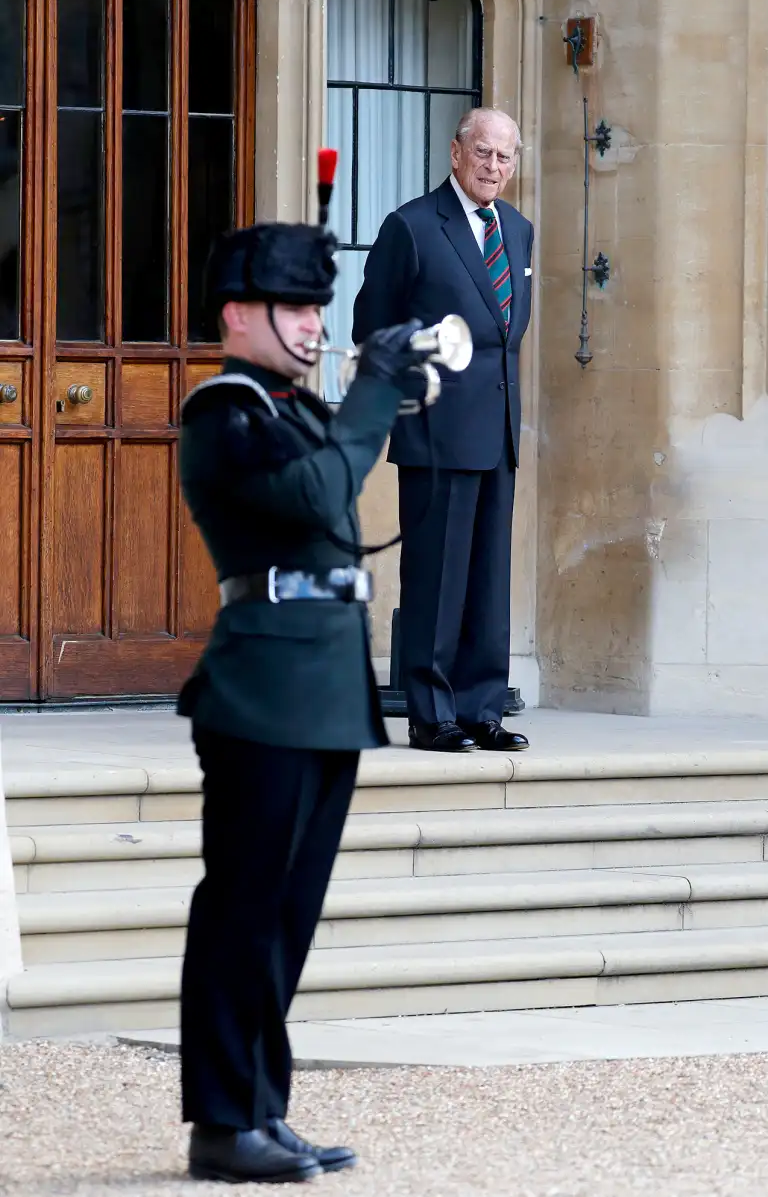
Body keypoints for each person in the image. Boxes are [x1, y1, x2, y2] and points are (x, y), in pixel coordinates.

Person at [176, 220, 422, 1184]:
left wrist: (403, 394)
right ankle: (221, 1120)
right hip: (263, 689)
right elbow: (324, 493)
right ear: (240, 314)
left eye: (320, 308)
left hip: (323, 687)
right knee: (241, 909)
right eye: (295, 307)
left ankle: (263, 1110)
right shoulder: (223, 411)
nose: (315, 325)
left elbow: (343, 476)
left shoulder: (295, 406)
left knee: (289, 916)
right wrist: (374, 391)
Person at [352, 107, 533, 754]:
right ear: (456, 153)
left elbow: (508, 332)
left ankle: (482, 707)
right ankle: (432, 715)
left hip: (499, 428)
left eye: (505, 157)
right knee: (438, 578)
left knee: (488, 580)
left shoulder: (518, 229)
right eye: (482, 153)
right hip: (436, 430)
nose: (493, 167)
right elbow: (371, 328)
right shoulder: (413, 226)